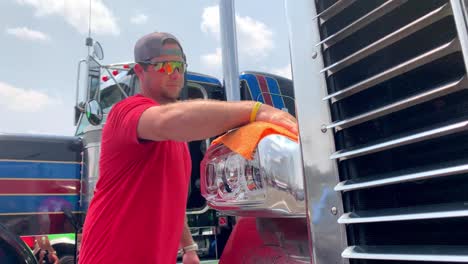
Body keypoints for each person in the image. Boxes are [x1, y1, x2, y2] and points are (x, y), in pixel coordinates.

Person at [78, 32, 298, 264]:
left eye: (179, 66)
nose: (174, 73)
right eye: (163, 65)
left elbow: (171, 200)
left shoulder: (177, 141)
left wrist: (189, 247)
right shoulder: (125, 112)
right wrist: (256, 111)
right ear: (140, 71)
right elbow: (167, 120)